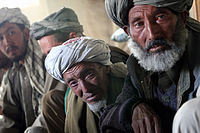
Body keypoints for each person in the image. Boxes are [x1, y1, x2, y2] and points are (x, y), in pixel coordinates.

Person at [99, 0, 200, 133]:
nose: (152, 35)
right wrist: (132, 107)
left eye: (160, 17)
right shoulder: (137, 65)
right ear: (128, 32)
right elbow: (107, 117)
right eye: (139, 24)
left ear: (182, 18)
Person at [30, 7, 129, 133]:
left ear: (73, 37)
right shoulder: (61, 66)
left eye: (52, 51)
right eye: (48, 55)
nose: (53, 57)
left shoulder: (108, 57)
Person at [45, 36, 127, 133]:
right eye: (73, 83)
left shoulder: (131, 89)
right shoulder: (74, 103)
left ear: (106, 67)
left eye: (89, 75)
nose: (85, 89)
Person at [0, 7, 47, 133]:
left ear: (26, 33)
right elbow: (10, 120)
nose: (7, 42)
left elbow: (55, 110)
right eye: (0, 38)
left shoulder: (47, 63)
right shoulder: (12, 76)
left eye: (11, 33)